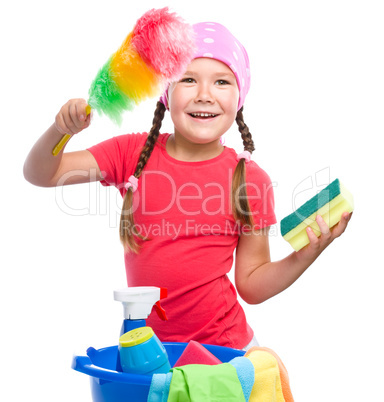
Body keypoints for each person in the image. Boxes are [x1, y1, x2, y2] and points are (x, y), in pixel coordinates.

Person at [24, 22, 352, 350]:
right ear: (168, 93)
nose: (204, 95)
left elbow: (251, 285)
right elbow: (42, 174)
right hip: (147, 354)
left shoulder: (251, 180)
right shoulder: (130, 153)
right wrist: (60, 130)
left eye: (221, 82)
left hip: (225, 353)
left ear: (239, 98)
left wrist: (304, 255)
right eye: (189, 79)